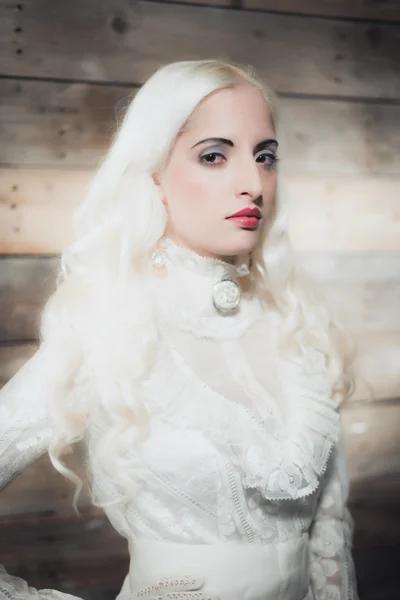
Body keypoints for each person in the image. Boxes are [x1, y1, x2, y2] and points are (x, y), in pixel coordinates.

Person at [0, 59, 359, 600]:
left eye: (266, 157)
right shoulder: (110, 325)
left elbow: (329, 539)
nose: (253, 183)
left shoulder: (296, 326)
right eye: (214, 156)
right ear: (154, 178)